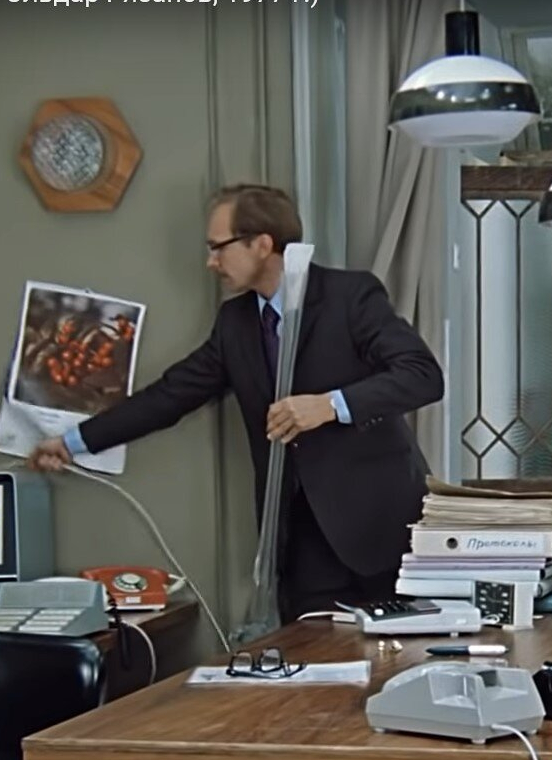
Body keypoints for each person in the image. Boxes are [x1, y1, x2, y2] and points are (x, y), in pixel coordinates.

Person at [28, 184, 444, 623]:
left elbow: (423, 375)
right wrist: (72, 442)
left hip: (382, 535)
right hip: (300, 549)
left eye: (218, 247)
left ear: (262, 244)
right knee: (312, 664)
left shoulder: (351, 296)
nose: (211, 262)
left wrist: (330, 405)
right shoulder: (235, 324)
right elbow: (170, 395)